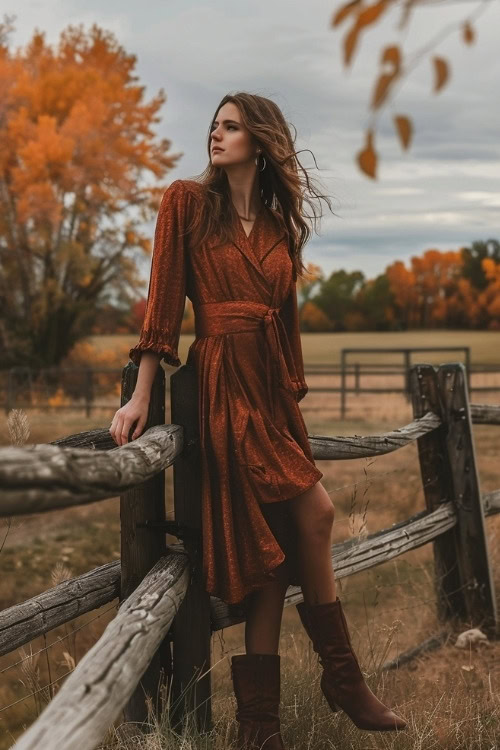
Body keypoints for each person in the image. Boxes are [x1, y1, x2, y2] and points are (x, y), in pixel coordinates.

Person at [110, 92, 406, 748]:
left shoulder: (278, 228)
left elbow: (290, 326)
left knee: (278, 548)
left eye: (232, 126)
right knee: (315, 517)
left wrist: (289, 397)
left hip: (268, 394)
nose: (216, 135)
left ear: (261, 140)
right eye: (214, 125)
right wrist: (140, 395)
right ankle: (344, 679)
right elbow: (162, 301)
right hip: (218, 384)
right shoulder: (185, 202)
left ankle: (259, 730)